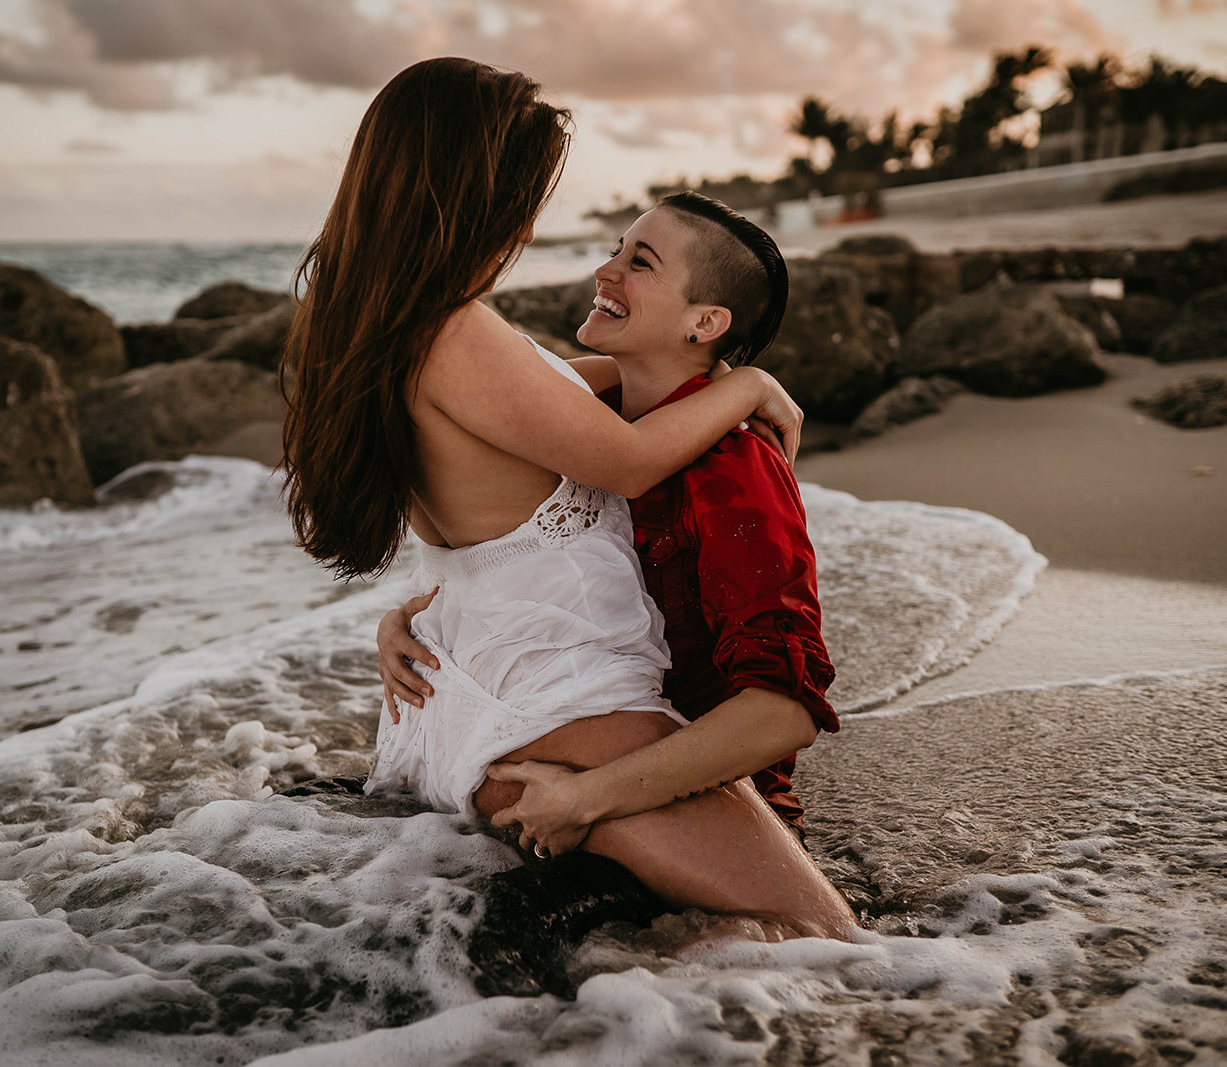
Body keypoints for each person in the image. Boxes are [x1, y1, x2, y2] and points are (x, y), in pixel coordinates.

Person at [285, 56, 852, 940]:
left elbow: (542, 411)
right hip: (561, 709)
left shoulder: (376, 327)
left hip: (460, 707)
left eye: (640, 258)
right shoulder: (460, 332)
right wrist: (744, 387)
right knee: (832, 944)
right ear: (480, 193)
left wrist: (406, 614)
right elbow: (624, 460)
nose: (535, 220)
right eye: (526, 193)